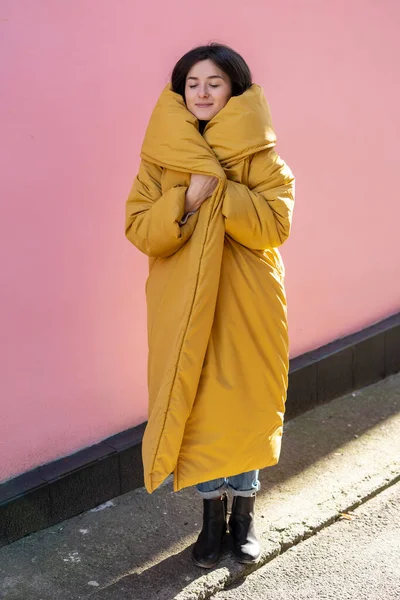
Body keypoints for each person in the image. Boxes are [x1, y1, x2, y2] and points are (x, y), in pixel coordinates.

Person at [125, 43, 295, 569]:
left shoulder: (260, 154)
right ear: (181, 90)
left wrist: (221, 191)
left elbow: (275, 225)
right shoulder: (159, 155)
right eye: (192, 83)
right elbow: (140, 228)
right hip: (181, 302)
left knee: (244, 407)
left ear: (234, 89)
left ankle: (243, 518)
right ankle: (208, 522)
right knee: (196, 408)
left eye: (214, 82)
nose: (202, 92)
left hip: (247, 301)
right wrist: (186, 199)